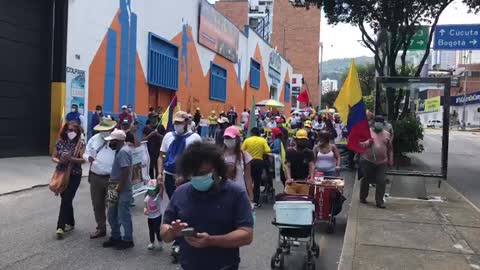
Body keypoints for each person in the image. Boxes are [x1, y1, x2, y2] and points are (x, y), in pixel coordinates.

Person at [160, 142, 254, 270]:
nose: (198, 178)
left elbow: (246, 235)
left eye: (203, 173)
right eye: (194, 174)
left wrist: (212, 240)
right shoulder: (180, 193)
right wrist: (172, 231)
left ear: (216, 169)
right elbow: (165, 232)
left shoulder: (235, 194)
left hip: (224, 266)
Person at [83, 117, 117, 239]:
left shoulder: (116, 140)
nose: (104, 132)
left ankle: (115, 231)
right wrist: (88, 158)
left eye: (106, 129)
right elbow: (85, 153)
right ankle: (101, 228)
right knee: (97, 204)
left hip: (112, 179)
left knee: (112, 204)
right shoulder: (93, 139)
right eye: (102, 130)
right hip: (95, 177)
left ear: (112, 129)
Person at [52, 121, 86, 238]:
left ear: (77, 132)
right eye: (69, 130)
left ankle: (60, 226)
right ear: (65, 130)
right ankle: (70, 222)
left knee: (66, 198)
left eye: (74, 130)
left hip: (74, 174)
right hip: (61, 173)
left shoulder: (80, 144)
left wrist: (70, 159)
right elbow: (54, 157)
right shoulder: (60, 142)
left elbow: (83, 160)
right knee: (66, 198)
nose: (71, 132)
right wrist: (60, 160)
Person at [102, 129, 135, 250]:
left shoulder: (123, 152)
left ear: (117, 141)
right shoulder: (119, 150)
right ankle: (115, 236)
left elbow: (125, 170)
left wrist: (120, 187)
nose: (110, 143)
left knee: (123, 214)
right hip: (114, 185)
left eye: (112, 141)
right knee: (111, 213)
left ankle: (128, 239)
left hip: (121, 187)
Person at [359, 115, 394, 209]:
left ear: (383, 124)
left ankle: (379, 201)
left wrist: (391, 159)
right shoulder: (367, 132)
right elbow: (360, 145)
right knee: (366, 179)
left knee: (381, 180)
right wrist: (367, 143)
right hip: (368, 160)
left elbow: (390, 148)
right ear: (374, 123)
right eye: (377, 121)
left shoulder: (387, 134)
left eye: (381, 122)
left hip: (382, 162)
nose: (379, 124)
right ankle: (363, 197)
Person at [241, 127, 271, 207]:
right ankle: (256, 201)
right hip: (259, 162)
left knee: (248, 180)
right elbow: (268, 150)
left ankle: (247, 199)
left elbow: (242, 150)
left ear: (251, 133)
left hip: (249, 162)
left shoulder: (247, 140)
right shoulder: (263, 140)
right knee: (257, 182)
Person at [223, 126, 254, 201]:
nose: (228, 140)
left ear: (237, 139)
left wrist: (250, 195)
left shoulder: (244, 156)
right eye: (226, 138)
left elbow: (248, 178)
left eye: (230, 138)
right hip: (223, 194)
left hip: (239, 194)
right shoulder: (219, 155)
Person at [285, 129, 315, 195]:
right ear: (296, 140)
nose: (302, 142)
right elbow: (287, 166)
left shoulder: (309, 152)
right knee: (290, 200)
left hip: (304, 181)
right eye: (300, 140)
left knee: (305, 200)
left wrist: (312, 178)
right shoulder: (290, 152)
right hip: (292, 182)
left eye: (304, 140)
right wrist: (289, 178)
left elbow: (311, 165)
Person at [144, 179, 164, 250]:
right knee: (151, 230)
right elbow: (145, 204)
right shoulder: (147, 197)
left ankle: (160, 241)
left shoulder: (158, 197)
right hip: (150, 216)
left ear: (156, 190)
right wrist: (145, 209)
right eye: (149, 190)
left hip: (157, 216)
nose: (150, 192)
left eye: (152, 190)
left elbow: (161, 192)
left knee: (157, 229)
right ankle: (152, 242)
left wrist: (161, 186)